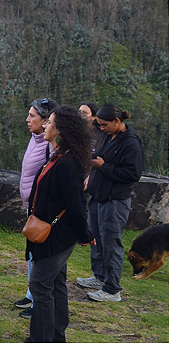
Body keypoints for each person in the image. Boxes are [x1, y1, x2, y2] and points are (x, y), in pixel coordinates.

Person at [26, 106, 94, 342]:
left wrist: (85, 235)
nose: (45, 125)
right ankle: (55, 336)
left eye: (50, 122)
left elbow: (77, 206)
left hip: (57, 236)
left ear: (61, 130)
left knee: (39, 285)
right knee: (55, 284)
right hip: (53, 233)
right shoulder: (59, 157)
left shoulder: (67, 164)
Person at [75, 104, 144, 303]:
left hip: (115, 202)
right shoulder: (106, 136)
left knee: (111, 243)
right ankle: (99, 277)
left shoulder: (131, 143)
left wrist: (104, 167)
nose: (102, 128)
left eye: (104, 125)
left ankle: (112, 289)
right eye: (100, 125)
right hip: (97, 196)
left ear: (117, 121)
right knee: (96, 238)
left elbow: (133, 174)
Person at [14, 97, 57, 318]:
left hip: (41, 211)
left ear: (46, 121)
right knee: (32, 254)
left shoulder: (50, 145)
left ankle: (38, 301)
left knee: (39, 257)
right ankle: (31, 294)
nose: (27, 119)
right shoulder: (36, 139)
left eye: (32, 116)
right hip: (30, 207)